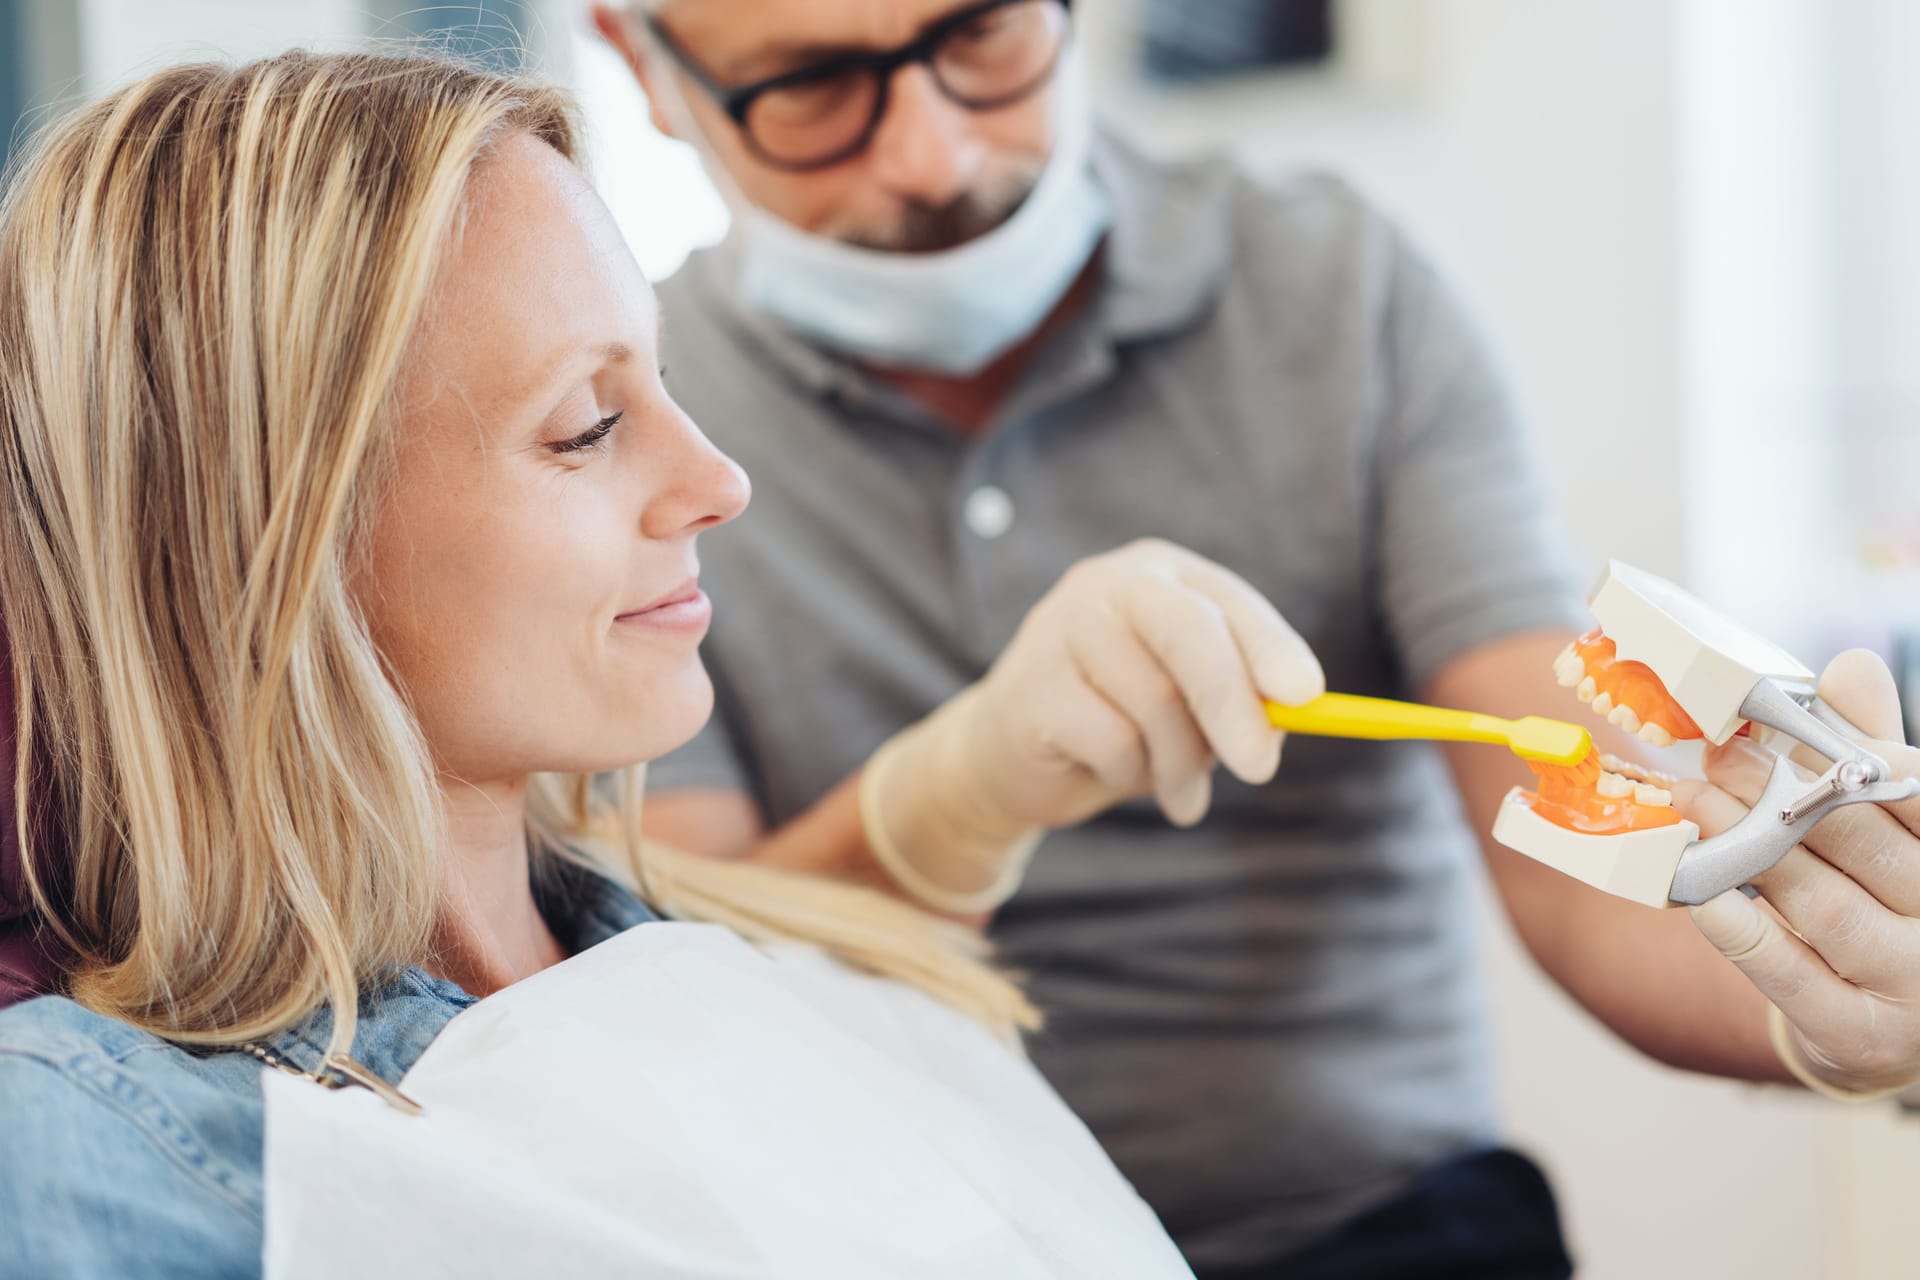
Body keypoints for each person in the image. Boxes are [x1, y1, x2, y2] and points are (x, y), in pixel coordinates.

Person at [589, 1, 1920, 1273]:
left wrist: (1836, 1006)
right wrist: (955, 797)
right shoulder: (626, 433)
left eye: (984, 30)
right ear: (642, 65)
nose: (935, 153)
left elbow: (1581, 834)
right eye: (811, 87)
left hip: (1378, 1236)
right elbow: (689, 990)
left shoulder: (1341, 291)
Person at [0, 50, 1201, 1278]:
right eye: (588, 425)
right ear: (274, 540)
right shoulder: (90, 1150)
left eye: (662, 377)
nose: (721, 483)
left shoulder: (804, 968)